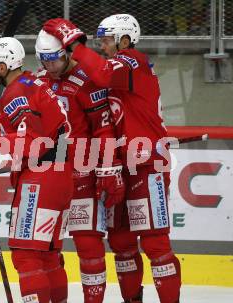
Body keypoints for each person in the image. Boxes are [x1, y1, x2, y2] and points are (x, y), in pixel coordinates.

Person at [43, 15, 181, 303]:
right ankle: (133, 299)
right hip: (122, 165)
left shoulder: (133, 60)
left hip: (147, 164)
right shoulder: (111, 70)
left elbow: (103, 71)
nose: (102, 46)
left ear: (125, 40)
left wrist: (75, 43)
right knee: (121, 243)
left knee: (155, 244)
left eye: (106, 41)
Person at [0, 36, 73, 303]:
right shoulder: (29, 83)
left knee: (26, 255)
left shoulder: (17, 93)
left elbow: (33, 143)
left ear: (3, 67)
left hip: (41, 176)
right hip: (59, 174)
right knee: (47, 256)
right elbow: (8, 116)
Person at [34, 29, 124, 303]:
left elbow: (103, 128)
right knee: (46, 247)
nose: (51, 66)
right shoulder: (38, 81)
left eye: (55, 60)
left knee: (88, 244)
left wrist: (109, 167)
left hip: (84, 169)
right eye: (44, 60)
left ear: (67, 54)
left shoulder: (87, 81)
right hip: (52, 173)